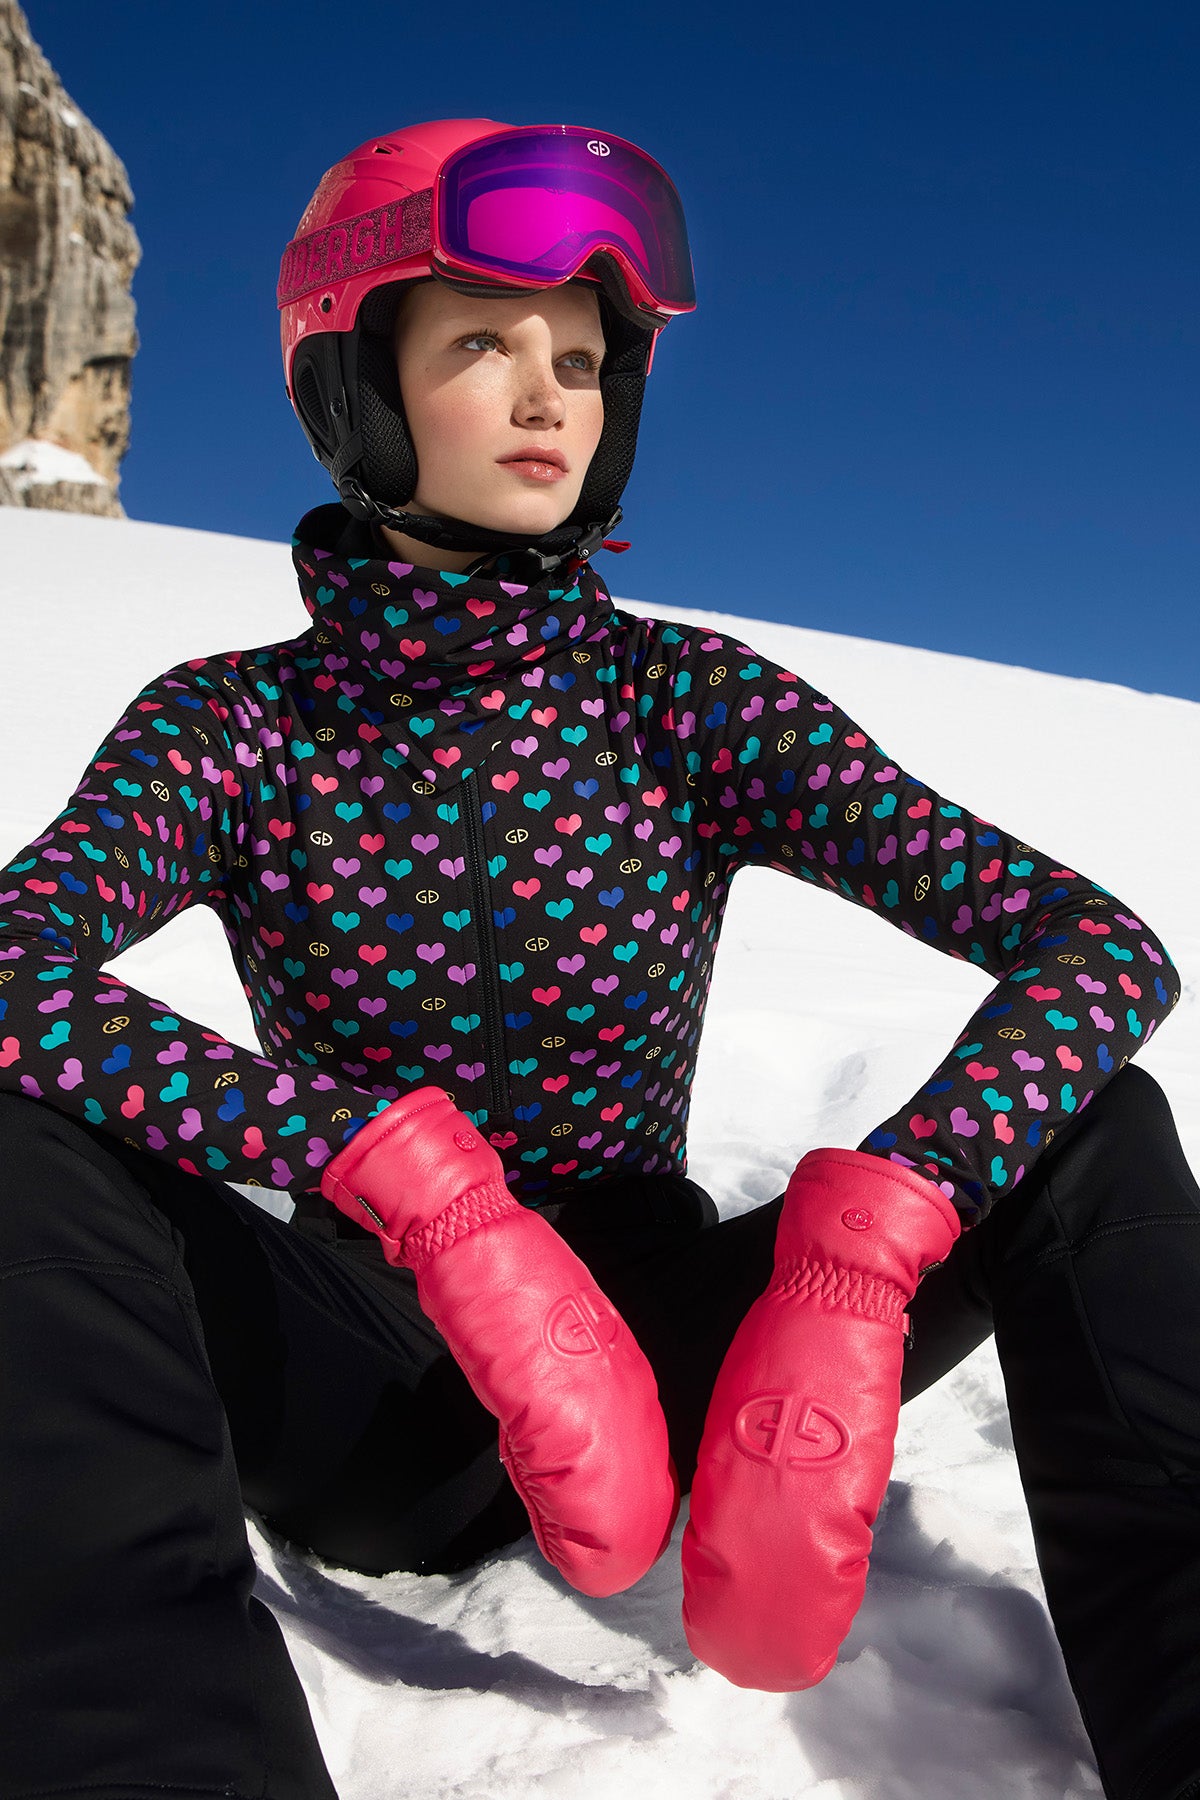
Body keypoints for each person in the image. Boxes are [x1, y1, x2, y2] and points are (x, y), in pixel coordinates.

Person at [0, 116, 1195, 1800]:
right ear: (354, 382)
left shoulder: (686, 701)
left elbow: (1097, 945)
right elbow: (13, 967)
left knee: (1095, 1124)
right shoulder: (233, 727)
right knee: (17, 1137)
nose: (549, 395)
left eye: (580, 359)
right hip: (385, 1392)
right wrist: (399, 1177)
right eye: (482, 344)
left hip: (691, 1366)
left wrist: (879, 1233)